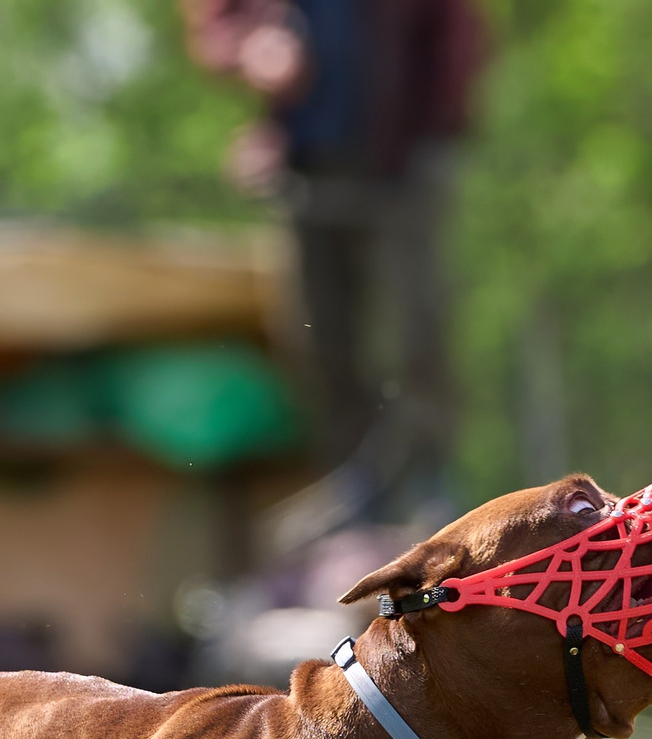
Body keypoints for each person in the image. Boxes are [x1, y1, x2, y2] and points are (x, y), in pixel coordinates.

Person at [186, 0, 484, 530]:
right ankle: (356, 484)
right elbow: (217, 23)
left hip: (399, 169)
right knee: (318, 335)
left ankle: (429, 482)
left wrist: (439, 136)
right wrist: (251, 47)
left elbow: (457, 34)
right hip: (306, 175)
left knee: (417, 330)